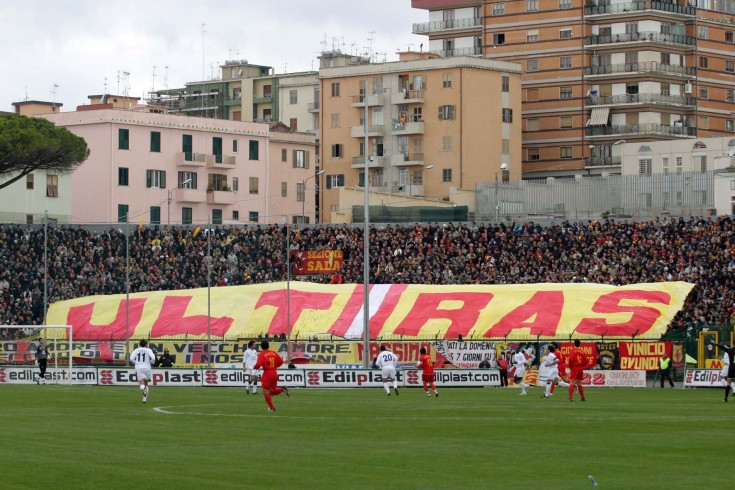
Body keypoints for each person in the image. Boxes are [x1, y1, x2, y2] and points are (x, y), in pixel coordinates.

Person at [253, 340, 289, 412]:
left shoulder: (262, 354)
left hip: (267, 373)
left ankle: (272, 407)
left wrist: (255, 367)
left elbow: (258, 364)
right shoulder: (273, 353)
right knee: (272, 391)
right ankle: (282, 389)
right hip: (274, 372)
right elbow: (281, 361)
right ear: (268, 346)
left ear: (261, 347)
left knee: (265, 391)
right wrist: (275, 366)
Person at [130, 339, 156, 403]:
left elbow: (131, 359)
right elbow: (153, 358)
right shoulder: (149, 350)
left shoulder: (136, 350)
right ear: (146, 344)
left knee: (142, 385)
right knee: (146, 384)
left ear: (140, 344)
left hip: (139, 368)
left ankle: (143, 388)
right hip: (147, 367)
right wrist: (152, 362)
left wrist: (136, 363)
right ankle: (144, 399)